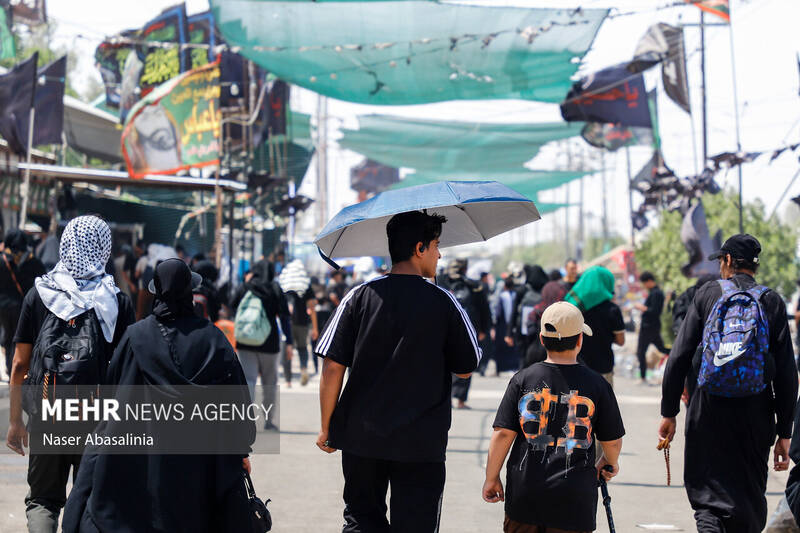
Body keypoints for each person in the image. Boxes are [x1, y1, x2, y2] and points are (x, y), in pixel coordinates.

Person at [314, 210, 480, 532]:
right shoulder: (444, 302)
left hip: (362, 437)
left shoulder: (360, 296)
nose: (440, 254)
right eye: (436, 245)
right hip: (421, 443)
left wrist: (327, 427)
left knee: (362, 520)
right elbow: (467, 367)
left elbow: (332, 366)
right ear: (420, 249)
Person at [61, 258, 254, 533]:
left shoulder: (136, 337)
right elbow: (238, 405)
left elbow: (112, 396)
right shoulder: (214, 339)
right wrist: (240, 450)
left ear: (158, 292)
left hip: (144, 459)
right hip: (201, 464)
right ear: (189, 292)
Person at [659, 234, 798, 533]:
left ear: (728, 262)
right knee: (747, 492)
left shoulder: (707, 294)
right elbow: (787, 373)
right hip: (756, 413)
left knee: (708, 494)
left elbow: (679, 356)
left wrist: (669, 412)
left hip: (707, 411)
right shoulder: (771, 301)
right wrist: (784, 432)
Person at [6, 216, 136, 533]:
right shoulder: (117, 301)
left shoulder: (39, 294)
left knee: (42, 501)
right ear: (104, 249)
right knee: (91, 502)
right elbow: (127, 370)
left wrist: (15, 421)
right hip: (97, 416)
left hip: (47, 409)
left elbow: (20, 364)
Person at [483, 301, 625, 533]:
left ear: (541, 339)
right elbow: (612, 441)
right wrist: (609, 461)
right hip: (574, 501)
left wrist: (492, 477)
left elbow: (503, 433)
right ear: (580, 340)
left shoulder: (523, 379)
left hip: (524, 497)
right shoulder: (597, 384)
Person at [231, 259, 293, 431]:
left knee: (248, 381)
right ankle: (268, 421)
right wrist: (289, 342)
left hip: (245, 341)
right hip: (269, 342)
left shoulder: (246, 287)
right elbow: (285, 317)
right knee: (269, 383)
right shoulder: (274, 288)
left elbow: (232, 304)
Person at [439, 258, 491, 409]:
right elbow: (484, 309)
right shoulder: (441, 282)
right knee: (455, 364)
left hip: (467, 330)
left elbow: (483, 308)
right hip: (458, 330)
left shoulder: (473, 286)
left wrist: (483, 329)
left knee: (465, 363)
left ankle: (459, 399)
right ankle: (452, 399)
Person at [566, 266, 625, 386]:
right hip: (603, 368)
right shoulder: (613, 310)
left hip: (576, 367)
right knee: (602, 404)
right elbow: (621, 340)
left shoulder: (574, 308)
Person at [505, 265, 549, 367]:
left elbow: (514, 312)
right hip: (542, 331)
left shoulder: (522, 290)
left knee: (523, 358)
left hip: (523, 331)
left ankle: (524, 380)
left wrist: (509, 333)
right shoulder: (546, 290)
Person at [0, 230, 30, 376]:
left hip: (3, 307)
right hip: (18, 306)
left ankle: (8, 365)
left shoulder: (2, 259)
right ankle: (12, 365)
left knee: (7, 335)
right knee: (15, 338)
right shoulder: (23, 262)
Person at [524, 279, 569, 368]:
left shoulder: (536, 312)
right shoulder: (566, 315)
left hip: (536, 357)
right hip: (561, 360)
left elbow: (530, 333)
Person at [635, 271, 668, 383]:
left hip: (649, 327)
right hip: (652, 326)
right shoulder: (655, 292)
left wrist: (642, 308)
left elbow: (654, 311)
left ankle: (643, 377)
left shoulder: (656, 293)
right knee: (662, 348)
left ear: (649, 281)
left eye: (644, 283)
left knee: (641, 351)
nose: (644, 286)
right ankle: (677, 354)